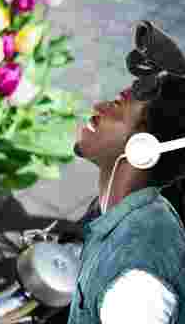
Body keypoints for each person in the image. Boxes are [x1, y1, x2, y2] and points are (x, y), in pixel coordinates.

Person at [67, 21, 185, 324]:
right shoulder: (118, 212)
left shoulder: (135, 286)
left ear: (141, 149)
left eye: (117, 107)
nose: (98, 105)